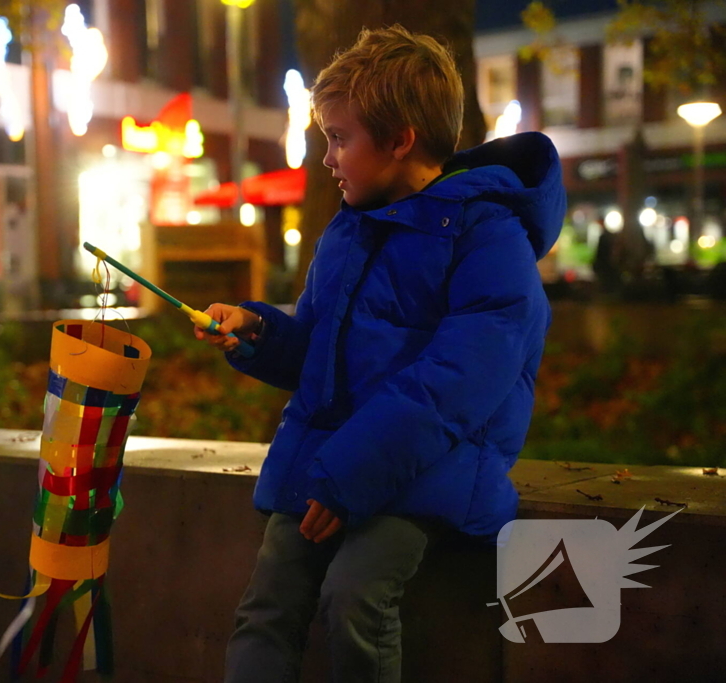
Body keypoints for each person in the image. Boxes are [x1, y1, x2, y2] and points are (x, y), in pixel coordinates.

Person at [195, 26, 566, 683]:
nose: (327, 158)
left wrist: (349, 474)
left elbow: (454, 384)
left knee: (355, 596)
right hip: (334, 462)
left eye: (340, 138)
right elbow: (318, 349)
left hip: (430, 469)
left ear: (400, 140)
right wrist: (256, 331)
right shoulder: (349, 230)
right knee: (266, 607)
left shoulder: (488, 236)